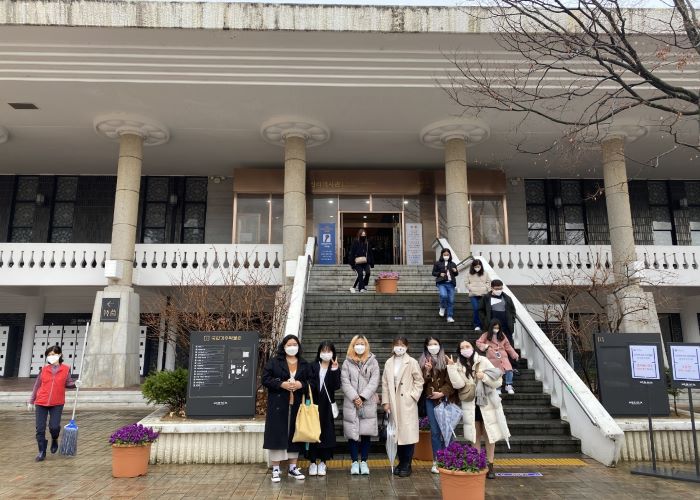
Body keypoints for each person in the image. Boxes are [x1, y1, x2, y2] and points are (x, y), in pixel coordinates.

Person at [446, 340, 510, 480]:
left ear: (473, 347)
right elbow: (458, 385)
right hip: (470, 405)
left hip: (487, 403)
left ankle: (490, 465)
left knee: (489, 435)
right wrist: (451, 367)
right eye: (462, 347)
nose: (465, 349)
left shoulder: (483, 361)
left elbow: (498, 381)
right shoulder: (458, 365)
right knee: (475, 436)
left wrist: (484, 377)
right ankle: (478, 464)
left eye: (467, 346)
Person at [262, 335, 311, 483]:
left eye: (295, 344)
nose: (292, 347)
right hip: (278, 404)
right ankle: (276, 469)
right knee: (277, 434)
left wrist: (301, 384)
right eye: (289, 344)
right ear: (283, 346)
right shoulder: (274, 362)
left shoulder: (304, 363)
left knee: (295, 433)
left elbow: (311, 381)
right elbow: (265, 379)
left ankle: (292, 467)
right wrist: (281, 384)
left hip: (296, 404)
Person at [382, 336, 424, 477]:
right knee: (397, 434)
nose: (399, 347)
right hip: (393, 402)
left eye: (402, 345)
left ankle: (407, 464)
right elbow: (385, 383)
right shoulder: (389, 362)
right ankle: (401, 462)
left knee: (407, 434)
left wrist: (412, 396)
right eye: (397, 344)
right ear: (392, 346)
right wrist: (386, 402)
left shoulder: (411, 362)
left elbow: (419, 381)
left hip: (406, 403)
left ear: (407, 347)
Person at [28, 345, 78, 462]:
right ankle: (42, 451)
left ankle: (54, 438)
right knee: (40, 428)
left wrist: (76, 384)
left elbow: (68, 383)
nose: (51, 356)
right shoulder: (44, 369)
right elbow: (37, 385)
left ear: (59, 355)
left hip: (57, 402)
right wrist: (31, 401)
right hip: (41, 401)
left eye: (53, 354)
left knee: (54, 427)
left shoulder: (65, 369)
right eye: (49, 355)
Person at [341, 335, 380, 475]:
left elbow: (374, 381)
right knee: (352, 433)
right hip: (351, 403)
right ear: (353, 346)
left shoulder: (373, 362)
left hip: (367, 402)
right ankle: (354, 462)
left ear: (366, 345)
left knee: (366, 433)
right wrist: (355, 397)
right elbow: (344, 382)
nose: (360, 346)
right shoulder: (347, 362)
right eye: (357, 344)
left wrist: (363, 397)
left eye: (362, 344)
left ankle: (364, 461)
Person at [418, 336, 457, 474]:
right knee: (435, 431)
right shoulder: (422, 361)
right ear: (426, 347)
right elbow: (420, 383)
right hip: (430, 400)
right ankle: (437, 460)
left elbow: (452, 381)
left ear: (440, 345)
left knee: (447, 430)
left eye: (435, 344)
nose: (433, 346)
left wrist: (442, 393)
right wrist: (427, 371)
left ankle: (449, 459)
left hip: (445, 399)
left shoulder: (447, 360)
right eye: (430, 344)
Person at [307, 341, 341, 477]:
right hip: (314, 404)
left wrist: (334, 370)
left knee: (326, 433)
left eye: (329, 351)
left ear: (333, 353)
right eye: (323, 351)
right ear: (319, 352)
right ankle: (312, 462)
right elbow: (309, 383)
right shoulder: (313, 366)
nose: (326, 353)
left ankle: (323, 462)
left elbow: (336, 386)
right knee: (312, 432)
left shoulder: (334, 367)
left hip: (327, 406)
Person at [476, 319, 520, 395]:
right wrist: (486, 346)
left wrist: (514, 355)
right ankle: (498, 387)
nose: (496, 329)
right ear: (491, 327)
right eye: (494, 327)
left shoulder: (502, 335)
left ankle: (509, 385)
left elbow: (508, 346)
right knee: (496, 372)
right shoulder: (486, 335)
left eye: (497, 328)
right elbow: (478, 342)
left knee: (509, 370)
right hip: (492, 356)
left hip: (503, 356)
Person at [478, 279, 516, 344]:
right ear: (492, 288)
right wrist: (485, 320)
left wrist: (512, 320)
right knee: (492, 343)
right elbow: (481, 310)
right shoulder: (486, 298)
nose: (499, 290)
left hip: (506, 325)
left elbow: (512, 310)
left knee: (509, 343)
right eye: (496, 289)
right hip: (491, 325)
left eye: (500, 288)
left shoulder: (507, 298)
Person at [432, 247, 459, 323]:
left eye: (448, 255)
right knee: (444, 295)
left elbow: (456, 274)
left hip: (451, 284)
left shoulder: (453, 264)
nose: (446, 256)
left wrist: (455, 271)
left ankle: (449, 316)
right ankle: (442, 307)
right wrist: (439, 274)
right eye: (445, 254)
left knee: (451, 300)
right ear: (442, 255)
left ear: (450, 255)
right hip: (441, 283)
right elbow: (433, 273)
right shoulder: (437, 263)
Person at [467, 259, 490, 332]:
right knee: (476, 308)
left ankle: (482, 324)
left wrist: (486, 288)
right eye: (475, 266)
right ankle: (477, 325)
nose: (477, 268)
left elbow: (488, 282)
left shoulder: (485, 273)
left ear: (481, 266)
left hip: (483, 294)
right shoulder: (469, 274)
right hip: (473, 294)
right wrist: (471, 288)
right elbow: (466, 282)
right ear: (473, 266)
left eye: (478, 266)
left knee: (482, 310)